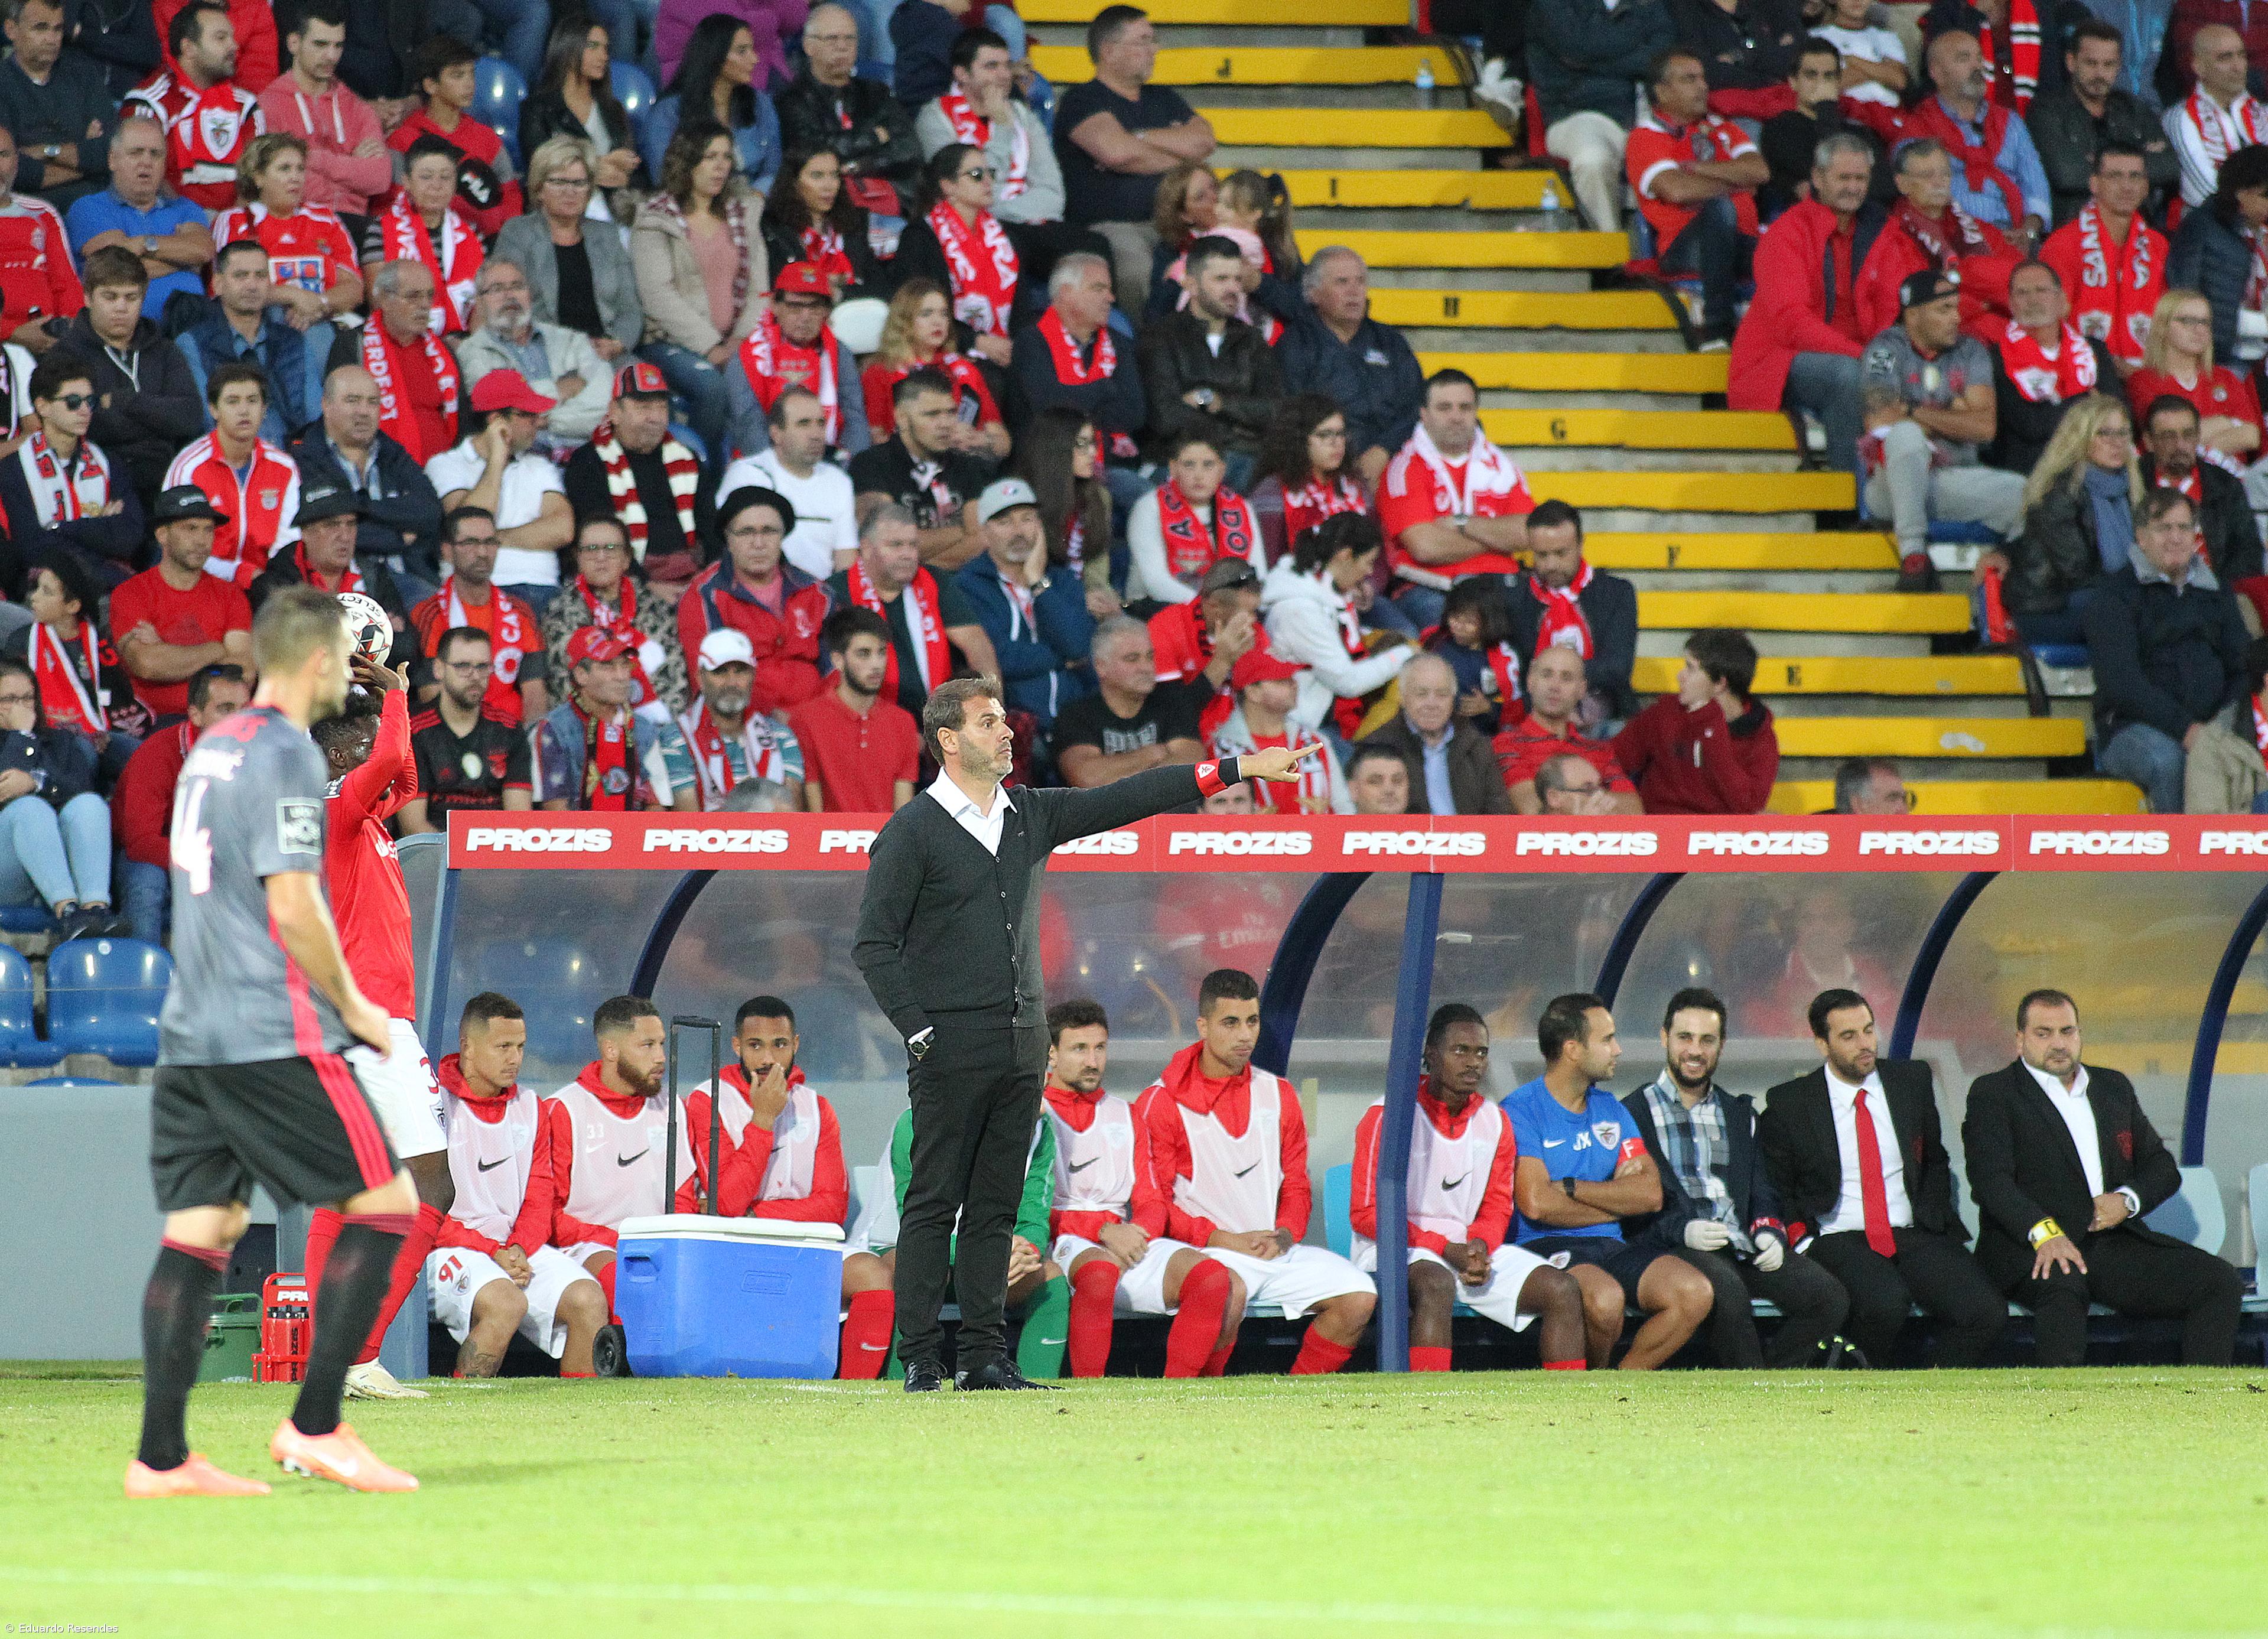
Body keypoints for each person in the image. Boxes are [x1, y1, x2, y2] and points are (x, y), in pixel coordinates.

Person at [853, 681, 1316, 1391]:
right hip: (947, 1045)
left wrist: (1237, 769)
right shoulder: (911, 829)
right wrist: (920, 1033)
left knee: (995, 1208)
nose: (1006, 732)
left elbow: (1129, 795)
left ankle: (981, 1355)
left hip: (1020, 1045)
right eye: (987, 722)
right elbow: (873, 945)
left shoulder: (1027, 813)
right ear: (948, 739)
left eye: (1005, 719)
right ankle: (919, 1354)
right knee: (932, 1203)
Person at [129, 586, 417, 1499]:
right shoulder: (292, 753)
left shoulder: (213, 748)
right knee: (387, 1200)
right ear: (317, 661)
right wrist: (355, 1008)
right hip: (265, 1026)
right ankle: (318, 1424)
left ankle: (162, 1457)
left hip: (190, 1028)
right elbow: (292, 901)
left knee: (200, 1233)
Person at [296, 663, 455, 1404]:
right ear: (337, 757)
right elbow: (391, 760)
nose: (376, 752)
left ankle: (335, 1356)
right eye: (360, 743)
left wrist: (396, 706)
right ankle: (355, 1355)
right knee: (429, 1183)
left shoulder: (362, 820)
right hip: (371, 1025)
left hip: (373, 1020)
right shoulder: (332, 808)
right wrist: (394, 692)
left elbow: (404, 774)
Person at [1963, 989, 2243, 1367]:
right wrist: (2046, 1233)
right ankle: (2062, 1414)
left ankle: (2202, 1403)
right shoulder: (1993, 1093)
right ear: (2020, 1040)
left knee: (2219, 1281)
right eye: (2044, 1034)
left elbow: (2161, 1167)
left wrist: (2126, 1201)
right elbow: (1991, 1183)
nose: (2058, 1044)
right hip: (2026, 1247)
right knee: (2064, 1288)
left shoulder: (2112, 1087)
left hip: (2110, 1244)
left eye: (2068, 1031)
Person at [1127, 967, 1376, 1377]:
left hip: (1270, 1250)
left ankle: (1294, 1405)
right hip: (1202, 1252)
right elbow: (1154, 1203)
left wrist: (1286, 1233)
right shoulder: (1162, 1101)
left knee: (1359, 1295)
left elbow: (1296, 1182)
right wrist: (1222, 1239)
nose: (1245, 1035)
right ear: (1202, 1026)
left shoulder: (1278, 1094)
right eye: (1230, 1023)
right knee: (1227, 1288)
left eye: (1252, 1021)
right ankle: (1185, 1405)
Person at [1758, 988, 2006, 1368]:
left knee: (1985, 1311)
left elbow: (1934, 1159)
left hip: (1911, 1230)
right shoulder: (1791, 1102)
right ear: (1822, 1044)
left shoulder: (1911, 1081)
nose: (1865, 1044)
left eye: (1869, 1030)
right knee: (1884, 1303)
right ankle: (1854, 1382)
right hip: (1837, 1235)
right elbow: (1779, 1185)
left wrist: (1934, 1217)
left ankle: (1925, 1393)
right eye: (1849, 1036)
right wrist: (1803, 1241)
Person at [1348, 1004, 1597, 1372]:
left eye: (1481, 1052)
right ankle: (1425, 1410)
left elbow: (1497, 1205)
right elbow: (1366, 1215)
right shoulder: (1387, 1116)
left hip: (1467, 1251)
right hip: (1397, 1249)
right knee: (1435, 1285)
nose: (1474, 1062)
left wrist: (1480, 1244)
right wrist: (1445, 1248)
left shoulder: (1495, 1121)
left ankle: (1568, 1416)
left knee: (1562, 1290)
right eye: (1460, 1051)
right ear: (1431, 1055)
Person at [1622, 988, 1851, 1368]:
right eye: (1685, 1038)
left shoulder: (1739, 1112)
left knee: (1829, 1298)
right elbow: (1632, 1207)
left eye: (1707, 1040)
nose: (1695, 1051)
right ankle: (1755, 1389)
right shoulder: (1631, 1113)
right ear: (1664, 1038)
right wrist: (1681, 1230)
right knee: (1725, 1292)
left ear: (1721, 1046)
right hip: (1674, 1246)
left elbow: (1761, 1187)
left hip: (1741, 1242)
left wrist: (1770, 1231)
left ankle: (1768, 1383)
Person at [671, 995, 898, 1379]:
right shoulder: (706, 1101)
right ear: (736, 1047)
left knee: (873, 1275)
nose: (767, 1058)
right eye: (755, 1045)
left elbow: (832, 1207)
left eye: (779, 1044)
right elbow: (726, 1202)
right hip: (735, 1245)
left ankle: (859, 1394)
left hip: (800, 1244)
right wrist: (762, 1119)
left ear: (795, 1044)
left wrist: (757, 1212)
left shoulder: (817, 1106)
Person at [1504, 993, 1714, 1370]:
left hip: (1611, 1244)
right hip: (1542, 1243)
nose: (1618, 1050)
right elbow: (1536, 1204)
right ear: (1572, 1049)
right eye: (1607, 1040)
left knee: (1694, 1293)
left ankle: (1620, 1383)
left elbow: (1649, 1196)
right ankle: (1593, 1386)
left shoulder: (1611, 1109)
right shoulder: (1521, 1110)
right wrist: (1614, 1204)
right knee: (1604, 1299)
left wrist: (1571, 1188)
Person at [1038, 998, 1242, 1378]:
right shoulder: (1034, 1113)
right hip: (1062, 1243)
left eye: (1099, 1048)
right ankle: (1089, 1396)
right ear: (1051, 1053)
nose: (1092, 1061)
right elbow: (1030, 1207)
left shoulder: (1125, 1113)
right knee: (1099, 1273)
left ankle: (1176, 1398)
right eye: (1079, 1048)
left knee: (1212, 1278)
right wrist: (1102, 1230)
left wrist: (1134, 1233)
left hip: (1124, 1237)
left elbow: (1151, 1198)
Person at [426, 993, 610, 1380]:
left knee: (588, 1299)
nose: (515, 1058)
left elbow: (540, 1197)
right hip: (441, 1248)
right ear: (468, 1048)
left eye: (521, 1047)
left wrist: (517, 1248)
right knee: (505, 1303)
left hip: (513, 1250)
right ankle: (461, 1413)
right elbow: (421, 1207)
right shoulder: (434, 1106)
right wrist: (492, 1250)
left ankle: (582, 1423)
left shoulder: (531, 1107)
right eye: (503, 1047)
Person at [2082, 485, 2251, 812]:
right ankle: (2176, 862)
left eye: (2184, 528)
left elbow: (2242, 666)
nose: (2176, 538)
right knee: (2168, 762)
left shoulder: (2216, 592)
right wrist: (2186, 730)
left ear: (2195, 536)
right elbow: (2123, 685)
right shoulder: (2113, 598)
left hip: (2213, 725)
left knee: (2244, 754)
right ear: (2141, 536)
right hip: (2132, 729)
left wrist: (2220, 726)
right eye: (2164, 528)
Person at [1730, 132, 1883, 474]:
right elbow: (1792, 323)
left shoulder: (1878, 229)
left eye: (1861, 179)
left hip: (1855, 353)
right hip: (1775, 361)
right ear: (1818, 179)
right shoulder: (1787, 234)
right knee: (1847, 376)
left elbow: (1891, 302)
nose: (1853, 188)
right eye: (1844, 178)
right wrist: (1864, 356)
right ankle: (1850, 499)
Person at [1861, 271, 2029, 574]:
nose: (1956, 318)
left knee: (2024, 492)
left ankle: (2006, 588)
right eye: (1944, 310)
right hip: (1892, 485)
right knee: (1906, 436)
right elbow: (1880, 420)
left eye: (1956, 307)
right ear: (1912, 316)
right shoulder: (1886, 349)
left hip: (1950, 482)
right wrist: (1953, 411)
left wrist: (1911, 408)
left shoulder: (1971, 351)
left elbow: (1983, 427)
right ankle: (1914, 556)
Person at [1052, 5, 1215, 310]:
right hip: (1114, 227)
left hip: (1178, 222)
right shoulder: (1082, 99)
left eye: (1153, 41)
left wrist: (1138, 137)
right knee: (1137, 267)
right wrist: (1179, 151)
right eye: (1143, 41)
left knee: (1226, 259)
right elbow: (1118, 154)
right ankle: (1148, 348)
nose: (1154, 50)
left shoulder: (1164, 97)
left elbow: (1204, 141)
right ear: (1109, 50)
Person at [633, 117, 770, 468]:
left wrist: (738, 341)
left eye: (726, 157)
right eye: (710, 157)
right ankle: (702, 477)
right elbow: (657, 295)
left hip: (735, 341)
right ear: (688, 162)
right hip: (670, 341)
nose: (721, 166)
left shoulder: (743, 214)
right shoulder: (655, 218)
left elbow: (760, 290)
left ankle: (756, 473)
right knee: (711, 387)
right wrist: (711, 346)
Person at [917, 28, 1091, 285]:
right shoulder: (936, 118)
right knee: (1013, 245)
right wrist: (1002, 126)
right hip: (971, 228)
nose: (1004, 75)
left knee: (1094, 247)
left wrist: (1002, 209)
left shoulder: (1022, 114)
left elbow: (1053, 194)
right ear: (962, 74)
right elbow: (964, 191)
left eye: (1007, 66)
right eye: (991, 67)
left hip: (1028, 222)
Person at [536, 996, 675, 1317]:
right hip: (586, 1247)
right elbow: (549, 1213)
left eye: (661, 1044)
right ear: (611, 1049)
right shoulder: (564, 1110)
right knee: (623, 1281)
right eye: (647, 1045)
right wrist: (616, 1238)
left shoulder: (671, 1106)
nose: (661, 1057)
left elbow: (681, 1196)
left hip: (657, 1246)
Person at [1628, 47, 1766, 346]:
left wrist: (1701, 170)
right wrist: (1734, 181)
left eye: (1702, 78)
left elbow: (1759, 172)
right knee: (1720, 209)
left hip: (1742, 241)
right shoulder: (1647, 136)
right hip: (1683, 246)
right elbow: (1677, 190)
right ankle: (1718, 330)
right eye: (1689, 80)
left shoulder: (1722, 128)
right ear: (1662, 92)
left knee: (1790, 248)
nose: (1703, 86)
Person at [1377, 369, 1532, 625]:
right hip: (1433, 588)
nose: (1456, 417)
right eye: (1444, 408)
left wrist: (1463, 524)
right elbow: (1426, 548)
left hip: (1500, 586)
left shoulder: (1503, 466)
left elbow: (1528, 532)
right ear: (1424, 415)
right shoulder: (1404, 468)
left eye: (1465, 407)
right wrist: (1498, 537)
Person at [110, 661, 246, 942]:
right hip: (153, 857)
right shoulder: (157, 754)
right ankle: (144, 979)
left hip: (215, 857)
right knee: (147, 882)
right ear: (195, 714)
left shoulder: (255, 755)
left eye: (245, 710)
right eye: (225, 709)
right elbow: (141, 843)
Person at [286, 364, 446, 601]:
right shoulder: (303, 457)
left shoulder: (392, 452)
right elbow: (323, 533)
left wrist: (361, 506)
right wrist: (397, 538)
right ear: (326, 406)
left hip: (409, 577)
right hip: (342, 584)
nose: (364, 411)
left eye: (372, 402)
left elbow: (430, 513)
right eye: (352, 400)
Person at [1994, 391, 2137, 645]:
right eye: (2104, 433)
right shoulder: (2058, 493)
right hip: (2051, 606)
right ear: (2081, 438)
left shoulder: (2133, 490)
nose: (2117, 442)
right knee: (2116, 611)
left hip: (2101, 596)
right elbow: (2076, 571)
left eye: (2123, 433)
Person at [1136, 237, 1281, 485]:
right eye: (1221, 279)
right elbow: (1166, 417)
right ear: (1191, 284)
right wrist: (1237, 422)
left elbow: (1275, 411)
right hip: (1181, 462)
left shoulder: (1253, 341)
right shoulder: (1160, 338)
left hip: (1245, 461)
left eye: (1237, 279)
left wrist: (1214, 401)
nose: (1233, 288)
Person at [1274, 249, 1423, 490]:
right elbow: (1290, 417)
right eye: (1342, 282)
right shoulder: (1296, 345)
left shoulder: (1391, 342)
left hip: (1393, 461)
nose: (1354, 291)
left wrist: (1383, 450)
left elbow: (1416, 407)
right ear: (1314, 294)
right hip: (1322, 469)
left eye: (1360, 282)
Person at [678, 483, 831, 718]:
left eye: (769, 531)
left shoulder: (816, 592)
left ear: (783, 536)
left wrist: (819, 717)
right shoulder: (706, 595)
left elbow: (836, 669)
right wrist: (768, 717)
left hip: (818, 719)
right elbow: (708, 680)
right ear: (728, 539)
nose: (758, 543)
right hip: (744, 722)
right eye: (746, 532)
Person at [953, 476, 1092, 735]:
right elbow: (1001, 658)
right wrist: (1065, 660)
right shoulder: (969, 585)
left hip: (1078, 722)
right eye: (1004, 522)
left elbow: (1080, 646)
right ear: (984, 533)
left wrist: (1038, 583)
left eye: (1026, 519)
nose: (1018, 531)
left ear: (1039, 525)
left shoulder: (1062, 580)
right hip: (1018, 727)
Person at [425, 371, 575, 610]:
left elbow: (563, 529)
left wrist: (492, 539)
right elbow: (469, 524)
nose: (537, 422)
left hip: (545, 588)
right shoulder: (446, 464)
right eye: (526, 415)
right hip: (481, 589)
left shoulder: (540, 466)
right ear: (495, 420)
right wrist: (497, 459)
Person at [1260, 511, 1415, 739]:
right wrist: (1405, 654)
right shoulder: (1300, 611)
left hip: (1326, 710)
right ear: (1345, 555)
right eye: (1369, 562)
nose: (1370, 572)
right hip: (1305, 724)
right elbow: (1348, 683)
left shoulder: (1323, 586)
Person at [495, 136, 647, 366]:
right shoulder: (517, 234)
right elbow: (509, 303)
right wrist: (569, 348)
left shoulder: (607, 235)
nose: (571, 192)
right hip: (544, 354)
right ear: (539, 189)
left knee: (647, 395)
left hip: (607, 354)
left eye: (579, 183)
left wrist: (618, 342)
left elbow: (630, 306)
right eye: (559, 182)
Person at [564, 359, 714, 591]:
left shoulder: (687, 459)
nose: (654, 417)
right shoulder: (589, 463)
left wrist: (708, 580)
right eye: (643, 408)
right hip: (627, 583)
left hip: (693, 579)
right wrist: (646, 586)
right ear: (614, 412)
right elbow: (597, 540)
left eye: (661, 408)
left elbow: (711, 529)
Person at [1007, 252, 1145, 503]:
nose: (1111, 298)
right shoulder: (1032, 342)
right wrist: (1104, 388)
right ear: (1067, 292)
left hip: (1109, 467)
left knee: (1147, 500)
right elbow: (1048, 408)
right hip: (1046, 469)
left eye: (1110, 289)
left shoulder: (1120, 344)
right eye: (1099, 288)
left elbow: (1133, 413)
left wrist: (1074, 400)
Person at [1527, 0, 1675, 232]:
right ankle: (1608, 254)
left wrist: (1591, 60)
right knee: (1593, 160)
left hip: (1648, 113)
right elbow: (1576, 47)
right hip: (1579, 114)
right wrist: (1634, 47)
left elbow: (1662, 58)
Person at [1854, 139, 2019, 345]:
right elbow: (1922, 302)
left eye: (1945, 174)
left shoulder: (1974, 226)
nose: (1939, 182)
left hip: (2003, 319)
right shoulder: (1895, 236)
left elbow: (2020, 275)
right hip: (1945, 337)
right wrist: (1984, 302)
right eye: (1927, 176)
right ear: (1902, 184)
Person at [0, 352, 142, 590]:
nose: (85, 410)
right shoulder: (13, 469)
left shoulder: (108, 463)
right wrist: (98, 527)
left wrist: (60, 528)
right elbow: (32, 547)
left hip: (109, 585)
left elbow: (129, 536)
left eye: (91, 401)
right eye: (73, 402)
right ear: (42, 406)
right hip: (45, 591)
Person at [109, 486, 254, 720]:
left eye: (208, 530)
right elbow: (147, 664)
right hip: (155, 723)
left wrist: (165, 650)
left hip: (219, 721)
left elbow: (244, 673)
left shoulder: (231, 595)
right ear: (162, 535)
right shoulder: (131, 593)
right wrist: (216, 650)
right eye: (190, 529)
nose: (201, 540)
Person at [0, 654, 119, 936]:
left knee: (89, 804)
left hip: (57, 861)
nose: (20, 708)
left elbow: (79, 789)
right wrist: (23, 737)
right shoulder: (25, 737)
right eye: (9, 700)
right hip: (8, 870)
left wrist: (36, 784)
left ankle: (94, 910)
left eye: (27, 698)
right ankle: (67, 910)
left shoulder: (60, 741)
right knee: (29, 809)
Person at [1902, 27, 2051, 242]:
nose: (1977, 66)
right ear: (1937, 73)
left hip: (2016, 238)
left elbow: (2036, 185)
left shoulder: (2010, 122)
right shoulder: (1919, 127)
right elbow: (1919, 198)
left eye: (1979, 58)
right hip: (1954, 240)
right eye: (1964, 58)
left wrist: (2027, 233)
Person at [180, 241, 331, 450]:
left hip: (296, 459)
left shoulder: (294, 341)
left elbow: (315, 418)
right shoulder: (193, 343)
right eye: (241, 276)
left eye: (260, 276)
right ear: (218, 284)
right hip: (229, 459)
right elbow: (208, 422)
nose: (252, 285)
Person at [2026, 19, 2178, 227]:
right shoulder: (2047, 111)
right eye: (2091, 63)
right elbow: (2066, 174)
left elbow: (2170, 166)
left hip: (2138, 227)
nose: (2100, 74)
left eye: (2108, 65)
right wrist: (2137, 164)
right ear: (2071, 62)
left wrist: (2094, 163)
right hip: (2076, 228)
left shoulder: (2132, 108)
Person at [164, 362, 302, 590]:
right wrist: (237, 572)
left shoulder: (284, 466)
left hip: (265, 583)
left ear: (264, 409)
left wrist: (266, 580)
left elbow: (290, 542)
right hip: (201, 582)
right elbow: (176, 545)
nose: (244, 411)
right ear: (214, 409)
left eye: (252, 401)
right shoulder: (189, 466)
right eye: (233, 401)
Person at [405, 507, 548, 724]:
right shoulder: (429, 614)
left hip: (514, 740)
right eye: (470, 543)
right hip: (457, 740)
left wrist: (525, 748)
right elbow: (430, 696)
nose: (482, 553)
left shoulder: (520, 610)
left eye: (490, 542)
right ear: (447, 551)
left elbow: (535, 692)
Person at [539, 512, 690, 717]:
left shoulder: (653, 606)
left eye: (611, 548)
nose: (601, 557)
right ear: (578, 558)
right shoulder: (560, 611)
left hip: (656, 724)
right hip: (588, 726)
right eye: (591, 549)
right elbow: (567, 681)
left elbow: (674, 673)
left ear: (627, 559)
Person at [1614, 626, 1779, 813]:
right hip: (1659, 829)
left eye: (1691, 669)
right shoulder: (1665, 712)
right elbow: (1614, 759)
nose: (1680, 676)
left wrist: (1711, 727)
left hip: (1717, 837)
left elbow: (1747, 806)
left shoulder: (1760, 739)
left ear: (1720, 684)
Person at [64, 114, 210, 324]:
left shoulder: (186, 208)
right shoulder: (89, 208)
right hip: (123, 329)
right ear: (112, 160)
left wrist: (143, 244)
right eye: (136, 153)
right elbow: (115, 269)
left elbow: (203, 251)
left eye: (156, 154)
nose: (146, 162)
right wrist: (184, 263)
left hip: (192, 329)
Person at [1504, 499, 1639, 724]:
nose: (1551, 565)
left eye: (1560, 553)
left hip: (1606, 712)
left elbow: (1617, 668)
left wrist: (1555, 679)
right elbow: (1516, 670)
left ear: (1580, 545)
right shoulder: (1518, 597)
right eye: (1542, 555)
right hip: (1536, 715)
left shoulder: (1616, 593)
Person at [2038, 143, 2166, 374]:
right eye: (2115, 176)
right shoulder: (2064, 244)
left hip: (2149, 373)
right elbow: (2051, 324)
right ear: (2094, 184)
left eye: (2135, 177)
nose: (2127, 186)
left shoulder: (2159, 245)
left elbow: (2169, 319)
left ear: (2146, 187)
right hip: (2083, 372)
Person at [458, 259, 612, 453]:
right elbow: (501, 412)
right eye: (497, 289)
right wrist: (559, 390)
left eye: (517, 286)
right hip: (521, 456)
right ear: (479, 302)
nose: (509, 295)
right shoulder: (472, 352)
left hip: (587, 451)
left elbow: (607, 408)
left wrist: (544, 419)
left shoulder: (571, 340)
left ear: (530, 294)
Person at [213, 134, 365, 330]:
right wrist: (293, 296)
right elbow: (228, 289)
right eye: (285, 169)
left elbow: (353, 289)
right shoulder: (236, 221)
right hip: (262, 322)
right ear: (258, 177)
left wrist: (318, 303)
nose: (295, 177)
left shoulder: (326, 219)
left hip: (324, 317)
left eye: (300, 169)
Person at [532, 626, 692, 811]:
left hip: (633, 835)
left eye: (625, 665)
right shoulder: (554, 729)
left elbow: (657, 805)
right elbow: (554, 811)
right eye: (608, 666)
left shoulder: (644, 729)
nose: (622, 676)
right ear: (581, 675)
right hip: (575, 836)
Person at [777, 5, 919, 212]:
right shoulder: (792, 99)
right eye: (832, 39)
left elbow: (909, 149)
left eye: (850, 39)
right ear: (809, 46)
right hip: (825, 205)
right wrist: (874, 138)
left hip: (885, 199)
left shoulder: (877, 92)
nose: (843, 46)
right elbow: (813, 152)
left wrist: (856, 166)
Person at [125, 2, 262, 216]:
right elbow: (145, 176)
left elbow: (256, 178)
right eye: (220, 38)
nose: (234, 46)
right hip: (168, 222)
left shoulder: (247, 107)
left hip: (233, 228)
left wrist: (229, 224)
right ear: (188, 48)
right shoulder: (148, 102)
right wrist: (194, 222)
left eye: (232, 37)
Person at [259, 0, 391, 223]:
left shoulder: (357, 108)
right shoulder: (268, 106)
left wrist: (310, 158)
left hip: (354, 223)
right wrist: (351, 163)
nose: (332, 56)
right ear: (293, 43)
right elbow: (277, 183)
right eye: (320, 45)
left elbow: (379, 178)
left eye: (338, 45)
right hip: (297, 220)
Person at [893, 142, 1019, 366]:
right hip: (947, 349)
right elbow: (917, 310)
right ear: (948, 186)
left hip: (1005, 349)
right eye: (976, 175)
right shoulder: (920, 237)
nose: (988, 181)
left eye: (990, 173)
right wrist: (975, 341)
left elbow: (1022, 304)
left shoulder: (1003, 237)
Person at [728, 259, 867, 463]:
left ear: (827, 311)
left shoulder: (839, 353)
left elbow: (855, 418)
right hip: (769, 464)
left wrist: (853, 467)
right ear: (775, 305)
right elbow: (750, 427)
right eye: (795, 307)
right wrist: (789, 475)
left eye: (815, 307)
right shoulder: (749, 357)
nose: (805, 317)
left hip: (832, 462)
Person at [849, 367, 987, 571]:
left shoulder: (969, 464)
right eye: (932, 415)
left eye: (950, 413)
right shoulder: (872, 464)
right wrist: (963, 532)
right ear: (902, 418)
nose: (945, 424)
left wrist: (919, 563)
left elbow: (984, 541)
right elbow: (885, 545)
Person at [399, 626, 533, 832]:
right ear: (438, 669)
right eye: (463, 666)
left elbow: (518, 821)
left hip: (495, 855)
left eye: (482, 667)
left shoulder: (510, 730)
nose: (474, 675)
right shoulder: (414, 731)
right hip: (433, 856)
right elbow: (412, 825)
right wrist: (458, 860)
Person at [787, 604, 920, 811]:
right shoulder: (806, 719)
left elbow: (902, 813)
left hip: (886, 841)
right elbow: (814, 810)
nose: (877, 664)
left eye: (882, 652)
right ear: (838, 660)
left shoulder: (903, 722)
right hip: (829, 841)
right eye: (864, 654)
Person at [718, 385, 860, 579]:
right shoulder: (748, 475)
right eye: (804, 424)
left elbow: (846, 559)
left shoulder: (839, 481)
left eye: (821, 424)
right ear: (776, 434)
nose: (817, 434)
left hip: (822, 597)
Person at [385, 36, 518, 240]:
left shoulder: (486, 138)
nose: (469, 84)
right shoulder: (403, 140)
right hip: (420, 243)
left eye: (471, 75)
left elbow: (511, 199)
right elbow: (394, 204)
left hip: (485, 244)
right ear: (430, 85)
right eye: (457, 75)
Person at [2124, 287, 2264, 479]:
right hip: (2174, 487)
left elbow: (2251, 436)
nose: (2199, 329)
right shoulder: (2143, 381)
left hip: (2231, 487)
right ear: (2163, 327)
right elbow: (2164, 440)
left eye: (2205, 322)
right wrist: (2226, 423)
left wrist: (2192, 446)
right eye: (2188, 321)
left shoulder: (2225, 378)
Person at [860, 279, 1008, 458]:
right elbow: (875, 439)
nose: (938, 322)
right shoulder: (881, 372)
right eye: (926, 314)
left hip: (964, 469)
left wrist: (980, 440)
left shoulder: (966, 369)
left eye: (944, 314)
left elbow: (1003, 442)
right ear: (903, 321)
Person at [1988, 256, 2110, 474]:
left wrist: (2054, 410)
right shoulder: (1996, 357)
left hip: (2092, 464)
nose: (2032, 299)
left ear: (2061, 299)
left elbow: (2116, 411)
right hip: (2029, 469)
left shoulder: (2095, 350)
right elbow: (2030, 425)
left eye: (2041, 290)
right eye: (2022, 293)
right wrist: (2086, 402)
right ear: (2010, 303)